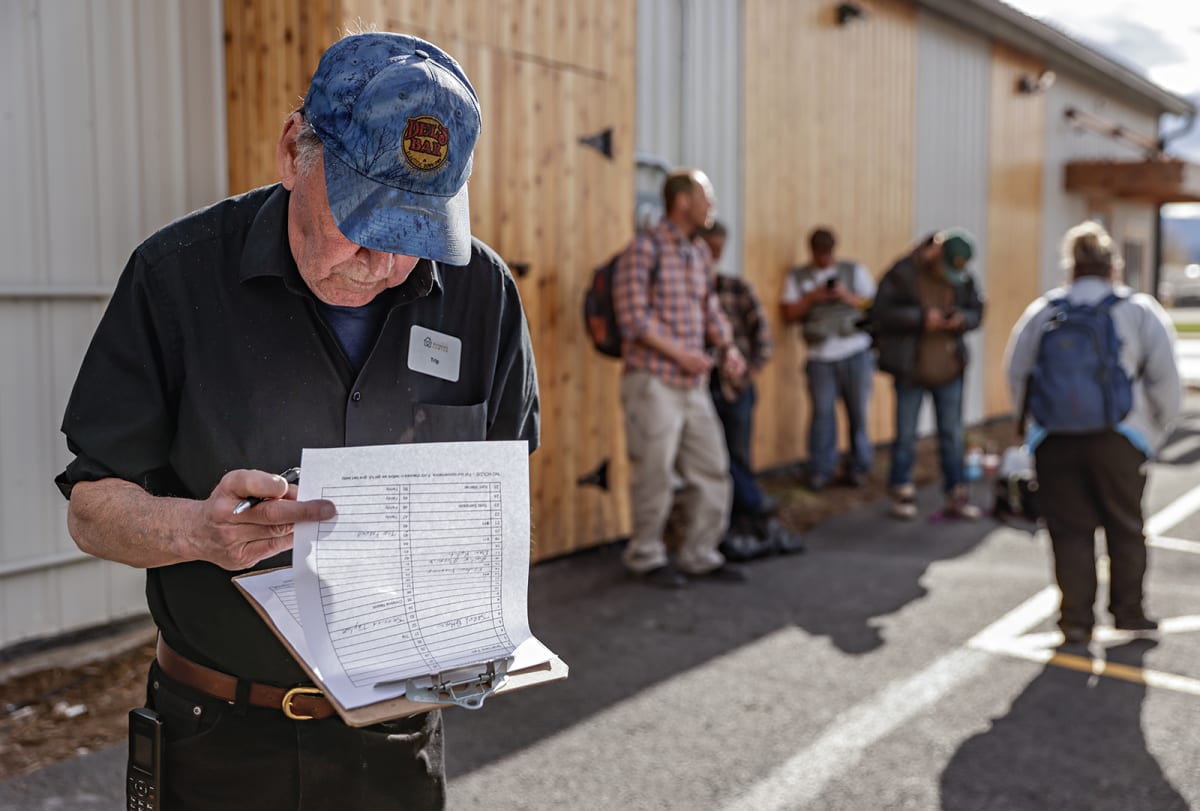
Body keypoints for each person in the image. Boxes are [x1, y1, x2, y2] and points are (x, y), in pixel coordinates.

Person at [54, 32, 538, 810]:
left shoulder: (483, 294)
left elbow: (505, 498)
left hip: (397, 737)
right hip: (216, 734)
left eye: (414, 234)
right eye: (362, 217)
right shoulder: (174, 279)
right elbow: (89, 511)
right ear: (292, 152)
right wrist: (196, 532)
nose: (380, 262)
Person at [1004, 220, 1181, 644]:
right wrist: (1150, 436)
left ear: (1072, 267)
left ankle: (1076, 621)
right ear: (1112, 267)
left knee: (1068, 531)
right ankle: (1129, 613)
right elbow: (1166, 383)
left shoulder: (1045, 310)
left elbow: (1017, 373)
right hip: (1120, 438)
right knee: (1125, 527)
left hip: (1056, 439)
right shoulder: (1137, 310)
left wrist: (1036, 427)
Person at [612, 169, 748, 588]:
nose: (713, 205)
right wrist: (682, 355)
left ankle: (700, 554)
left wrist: (729, 348)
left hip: (694, 385)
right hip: (653, 381)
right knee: (653, 471)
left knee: (712, 469)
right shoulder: (644, 248)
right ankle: (646, 557)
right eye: (707, 196)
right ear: (683, 202)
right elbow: (633, 319)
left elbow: (709, 310)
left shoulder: (698, 254)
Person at [698, 221, 805, 559]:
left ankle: (749, 521)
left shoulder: (735, 288)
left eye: (717, 249)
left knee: (738, 457)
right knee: (712, 461)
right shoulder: (690, 291)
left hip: (736, 387)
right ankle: (750, 515)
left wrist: (751, 370)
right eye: (708, 247)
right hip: (700, 386)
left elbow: (762, 336)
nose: (713, 255)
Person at [871, 228, 985, 520]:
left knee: (952, 434)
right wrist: (921, 319)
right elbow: (880, 313)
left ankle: (956, 494)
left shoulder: (962, 277)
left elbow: (977, 310)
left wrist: (960, 320)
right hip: (911, 367)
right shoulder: (903, 273)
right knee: (906, 434)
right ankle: (901, 490)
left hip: (948, 367)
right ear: (935, 252)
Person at [781, 227, 877, 491]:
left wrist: (845, 296)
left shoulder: (853, 271)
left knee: (858, 412)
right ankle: (821, 470)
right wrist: (813, 297)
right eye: (819, 254)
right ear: (812, 252)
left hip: (855, 351)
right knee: (822, 415)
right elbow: (789, 313)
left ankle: (859, 466)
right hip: (820, 355)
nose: (824, 259)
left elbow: (873, 306)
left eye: (827, 254)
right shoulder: (799, 277)